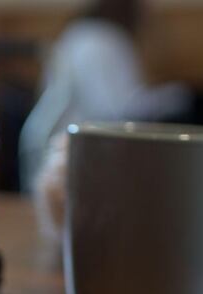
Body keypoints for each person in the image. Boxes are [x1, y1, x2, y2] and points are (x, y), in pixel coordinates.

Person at [19, 0, 190, 192]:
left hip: (52, 146)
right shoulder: (107, 39)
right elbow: (119, 110)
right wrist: (176, 96)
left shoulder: (74, 33)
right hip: (86, 154)